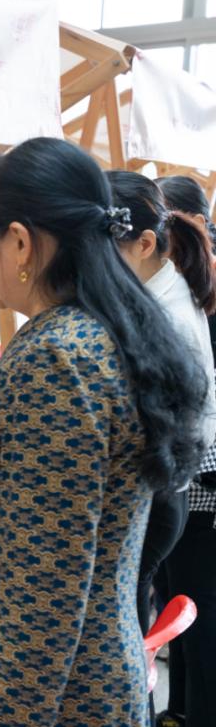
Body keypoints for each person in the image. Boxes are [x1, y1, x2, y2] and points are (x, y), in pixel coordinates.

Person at [0, 138, 208, 727]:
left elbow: (49, 572)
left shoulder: (60, 357)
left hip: (44, 712)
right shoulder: (101, 330)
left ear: (21, 243)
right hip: (63, 683)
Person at [106, 171, 216, 642]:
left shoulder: (163, 311)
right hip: (164, 489)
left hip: (158, 493)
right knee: (129, 621)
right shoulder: (163, 292)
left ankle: (135, 715)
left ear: (146, 244)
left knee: (125, 628)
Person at [155, 174, 216, 727]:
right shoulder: (188, 282)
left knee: (201, 607)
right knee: (182, 605)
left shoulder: (199, 284)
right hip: (193, 475)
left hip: (205, 478)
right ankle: (186, 711)